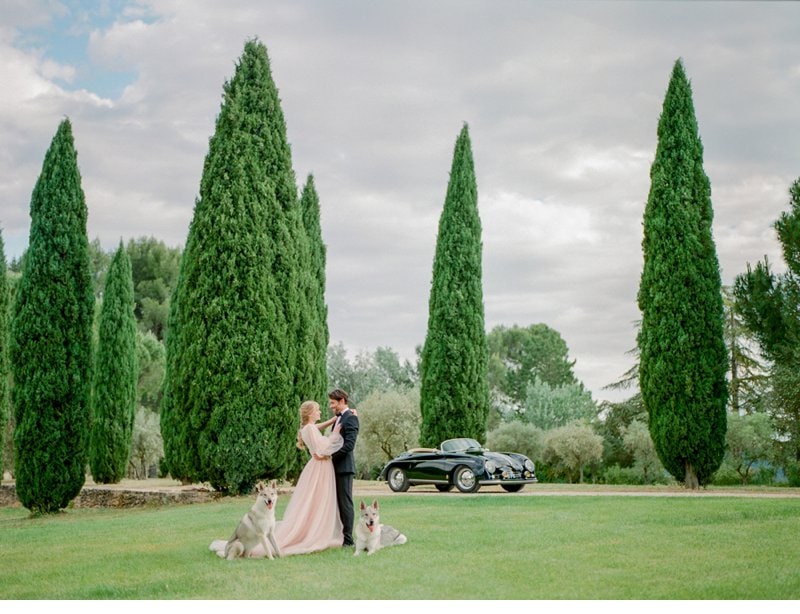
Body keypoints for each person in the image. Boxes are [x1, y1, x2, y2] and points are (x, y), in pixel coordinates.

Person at [208, 400, 344, 558]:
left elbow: (315, 428)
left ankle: (313, 529)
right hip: (320, 466)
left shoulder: (307, 428)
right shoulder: (310, 429)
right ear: (310, 413)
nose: (320, 412)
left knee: (311, 502)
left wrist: (332, 421)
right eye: (318, 410)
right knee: (318, 501)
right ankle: (314, 533)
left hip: (315, 466)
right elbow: (323, 448)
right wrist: (335, 434)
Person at [327, 388, 360, 548]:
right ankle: (339, 535)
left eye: (333, 403)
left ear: (342, 401)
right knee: (338, 503)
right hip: (335, 468)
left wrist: (331, 457)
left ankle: (348, 540)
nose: (332, 407)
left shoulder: (351, 418)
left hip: (344, 468)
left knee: (345, 503)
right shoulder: (339, 418)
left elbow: (349, 446)